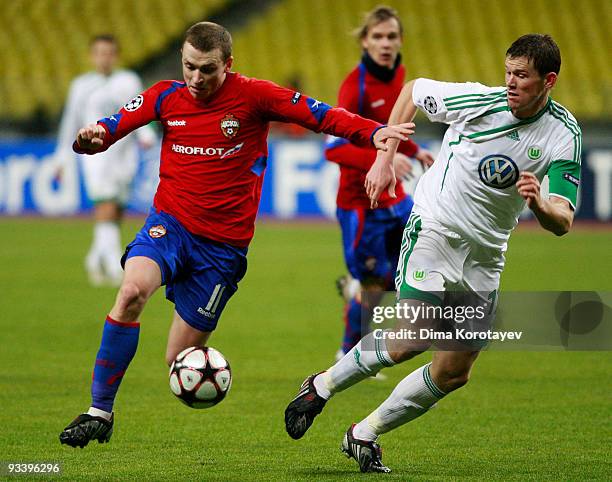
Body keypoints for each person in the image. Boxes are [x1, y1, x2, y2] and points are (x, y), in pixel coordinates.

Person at [58, 21, 413, 449]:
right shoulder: (165, 96)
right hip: (169, 226)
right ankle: (99, 411)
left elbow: (319, 115)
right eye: (188, 66)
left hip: (222, 250)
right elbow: (111, 127)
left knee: (179, 363)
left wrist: (373, 132)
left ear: (228, 64)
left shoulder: (254, 96)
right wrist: (93, 138)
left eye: (206, 69)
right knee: (132, 292)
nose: (195, 78)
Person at [285, 33, 581, 473]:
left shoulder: (564, 135)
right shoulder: (480, 101)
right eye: (508, 72)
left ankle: (363, 433)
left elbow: (564, 219)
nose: (511, 83)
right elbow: (414, 91)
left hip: (486, 254)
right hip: (435, 228)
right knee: (413, 334)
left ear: (549, 80)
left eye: (522, 76)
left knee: (453, 372)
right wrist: (384, 157)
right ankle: (322, 386)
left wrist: (539, 204)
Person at [324, 6, 434, 360]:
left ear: (400, 40)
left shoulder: (400, 75)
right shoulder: (353, 86)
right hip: (361, 203)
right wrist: (383, 158)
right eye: (378, 36)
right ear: (365, 41)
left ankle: (359, 294)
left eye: (391, 36)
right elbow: (334, 147)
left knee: (415, 262)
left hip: (396, 198)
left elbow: (389, 127)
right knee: (375, 285)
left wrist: (415, 151)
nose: (385, 44)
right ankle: (347, 352)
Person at [54, 34, 156, 286]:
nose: (104, 58)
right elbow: (70, 122)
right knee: (106, 204)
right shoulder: (82, 85)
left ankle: (95, 256)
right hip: (96, 155)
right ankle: (112, 263)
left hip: (124, 153)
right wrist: (61, 158)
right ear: (92, 56)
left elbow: (137, 111)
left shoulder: (128, 80)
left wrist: (146, 134)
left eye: (109, 53)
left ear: (116, 55)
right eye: (99, 52)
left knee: (117, 207)